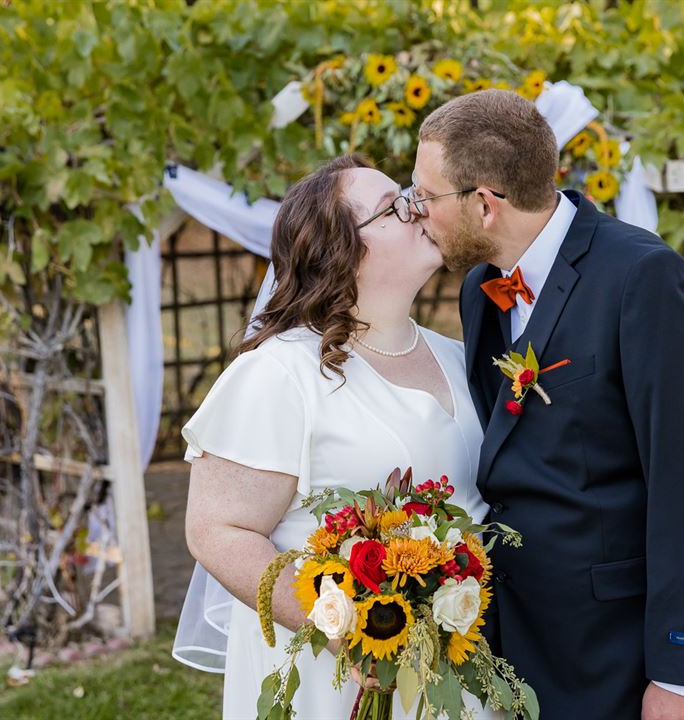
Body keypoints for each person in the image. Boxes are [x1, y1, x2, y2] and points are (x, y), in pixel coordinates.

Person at [411, 89, 684, 719]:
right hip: (518, 642)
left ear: (485, 204)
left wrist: (682, 675)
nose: (417, 212)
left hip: (623, 653)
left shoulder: (644, 278)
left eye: (425, 196)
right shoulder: (480, 288)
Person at [180, 155, 499, 719]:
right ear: (341, 251)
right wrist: (344, 628)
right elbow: (218, 530)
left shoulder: (459, 357)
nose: (418, 208)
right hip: (338, 678)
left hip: (459, 664)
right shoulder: (281, 373)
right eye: (393, 207)